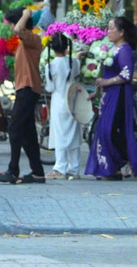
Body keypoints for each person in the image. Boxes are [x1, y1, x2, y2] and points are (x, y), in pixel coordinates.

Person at [86, 16, 137, 180]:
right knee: (103, 130)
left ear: (121, 32)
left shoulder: (124, 50)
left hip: (119, 94)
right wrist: (97, 91)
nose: (108, 31)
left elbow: (126, 74)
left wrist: (107, 82)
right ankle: (110, 167)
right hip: (107, 95)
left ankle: (117, 165)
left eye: (112, 28)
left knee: (111, 130)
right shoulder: (111, 49)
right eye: (108, 28)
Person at [0, 8, 46, 185]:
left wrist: (26, 14)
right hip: (25, 88)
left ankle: (13, 170)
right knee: (27, 133)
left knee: (14, 128)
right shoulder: (26, 41)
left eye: (13, 23)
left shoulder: (32, 38)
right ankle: (37, 172)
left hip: (28, 88)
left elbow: (18, 29)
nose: (12, 27)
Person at [45, 32, 84, 179]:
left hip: (58, 102)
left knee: (60, 135)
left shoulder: (50, 66)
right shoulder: (74, 63)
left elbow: (50, 88)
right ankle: (74, 168)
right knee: (73, 135)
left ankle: (60, 168)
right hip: (73, 101)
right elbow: (77, 71)